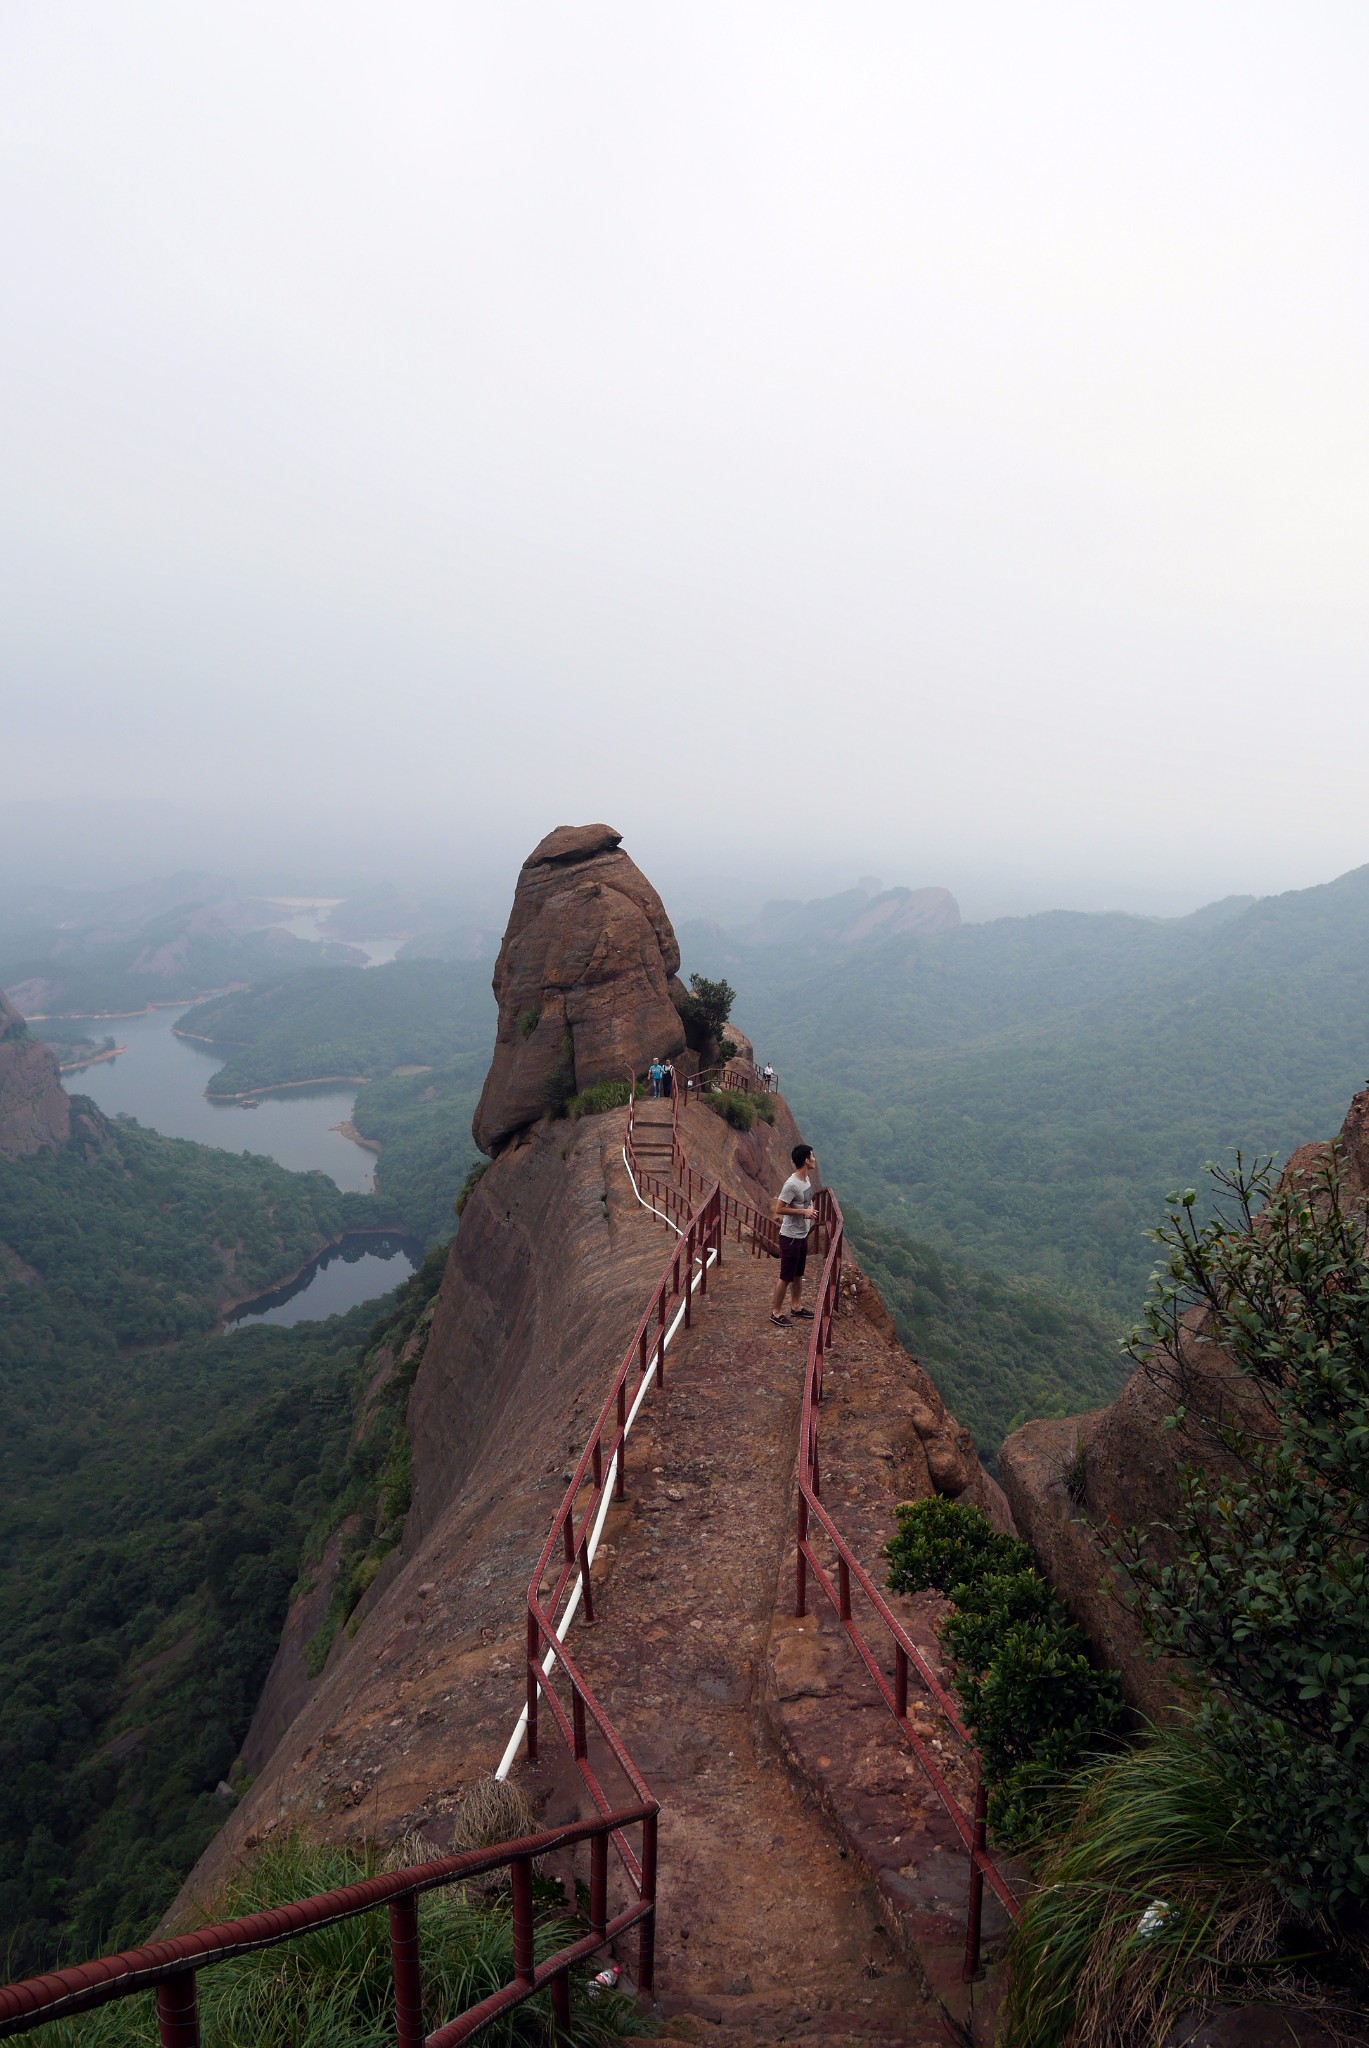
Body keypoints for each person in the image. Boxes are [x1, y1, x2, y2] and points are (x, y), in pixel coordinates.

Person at [771, 1142, 818, 1327]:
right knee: (786, 1276)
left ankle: (796, 1306)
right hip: (790, 1237)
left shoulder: (806, 1180)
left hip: (802, 1234)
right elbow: (779, 1209)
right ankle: (776, 1312)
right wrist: (803, 1213)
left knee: (798, 1274)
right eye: (812, 1157)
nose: (814, 1160)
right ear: (806, 1160)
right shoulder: (791, 1184)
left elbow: (806, 1201)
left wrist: (810, 1209)